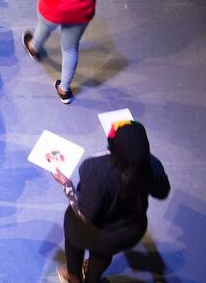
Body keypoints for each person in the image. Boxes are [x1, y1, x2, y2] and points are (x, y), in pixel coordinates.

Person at [52, 121, 169, 283]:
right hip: (124, 232)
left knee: (74, 238)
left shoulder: (95, 169)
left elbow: (84, 214)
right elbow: (162, 192)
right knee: (102, 255)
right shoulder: (154, 166)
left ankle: (74, 278)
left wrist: (67, 185)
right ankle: (92, 279)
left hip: (88, 231)